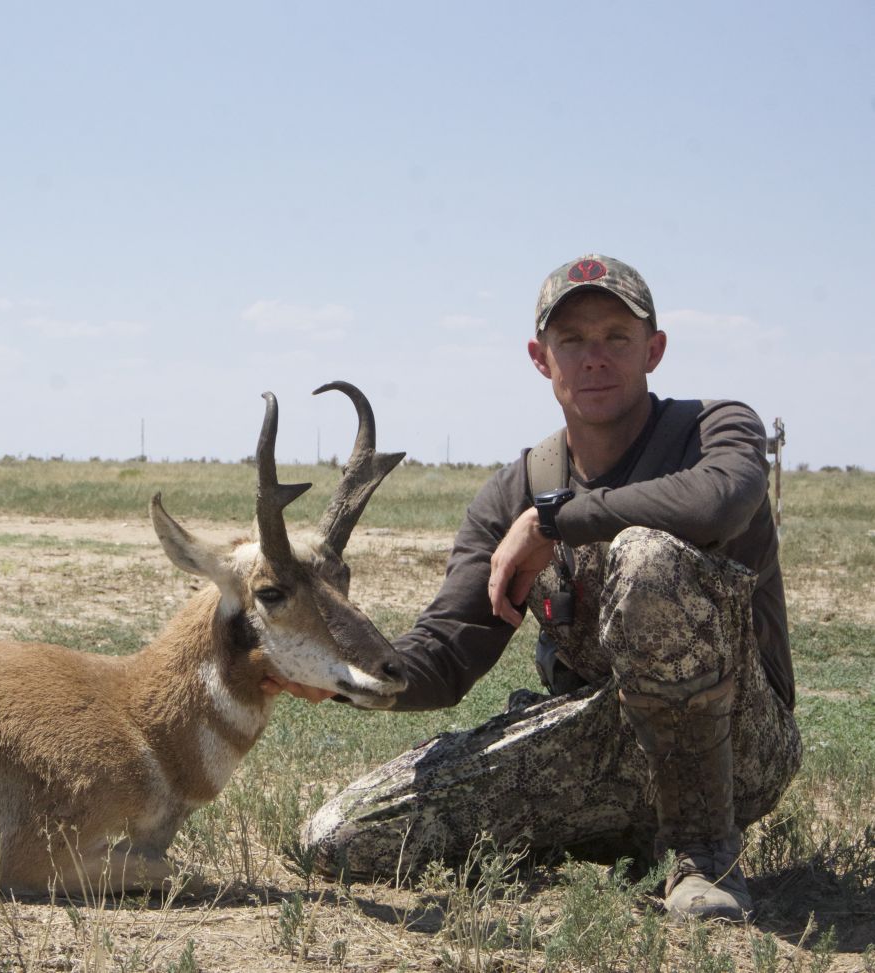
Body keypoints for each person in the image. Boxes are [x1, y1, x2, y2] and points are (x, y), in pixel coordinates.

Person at [275, 254, 800, 921]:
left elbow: (724, 502)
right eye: (572, 340)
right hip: (597, 744)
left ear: (654, 350)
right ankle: (617, 834)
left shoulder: (716, 431)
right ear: (540, 356)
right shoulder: (513, 489)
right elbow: (448, 652)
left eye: (616, 338)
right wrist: (342, 669)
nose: (593, 358)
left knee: (647, 557)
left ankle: (700, 855)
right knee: (340, 836)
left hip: (741, 743)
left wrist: (558, 521)